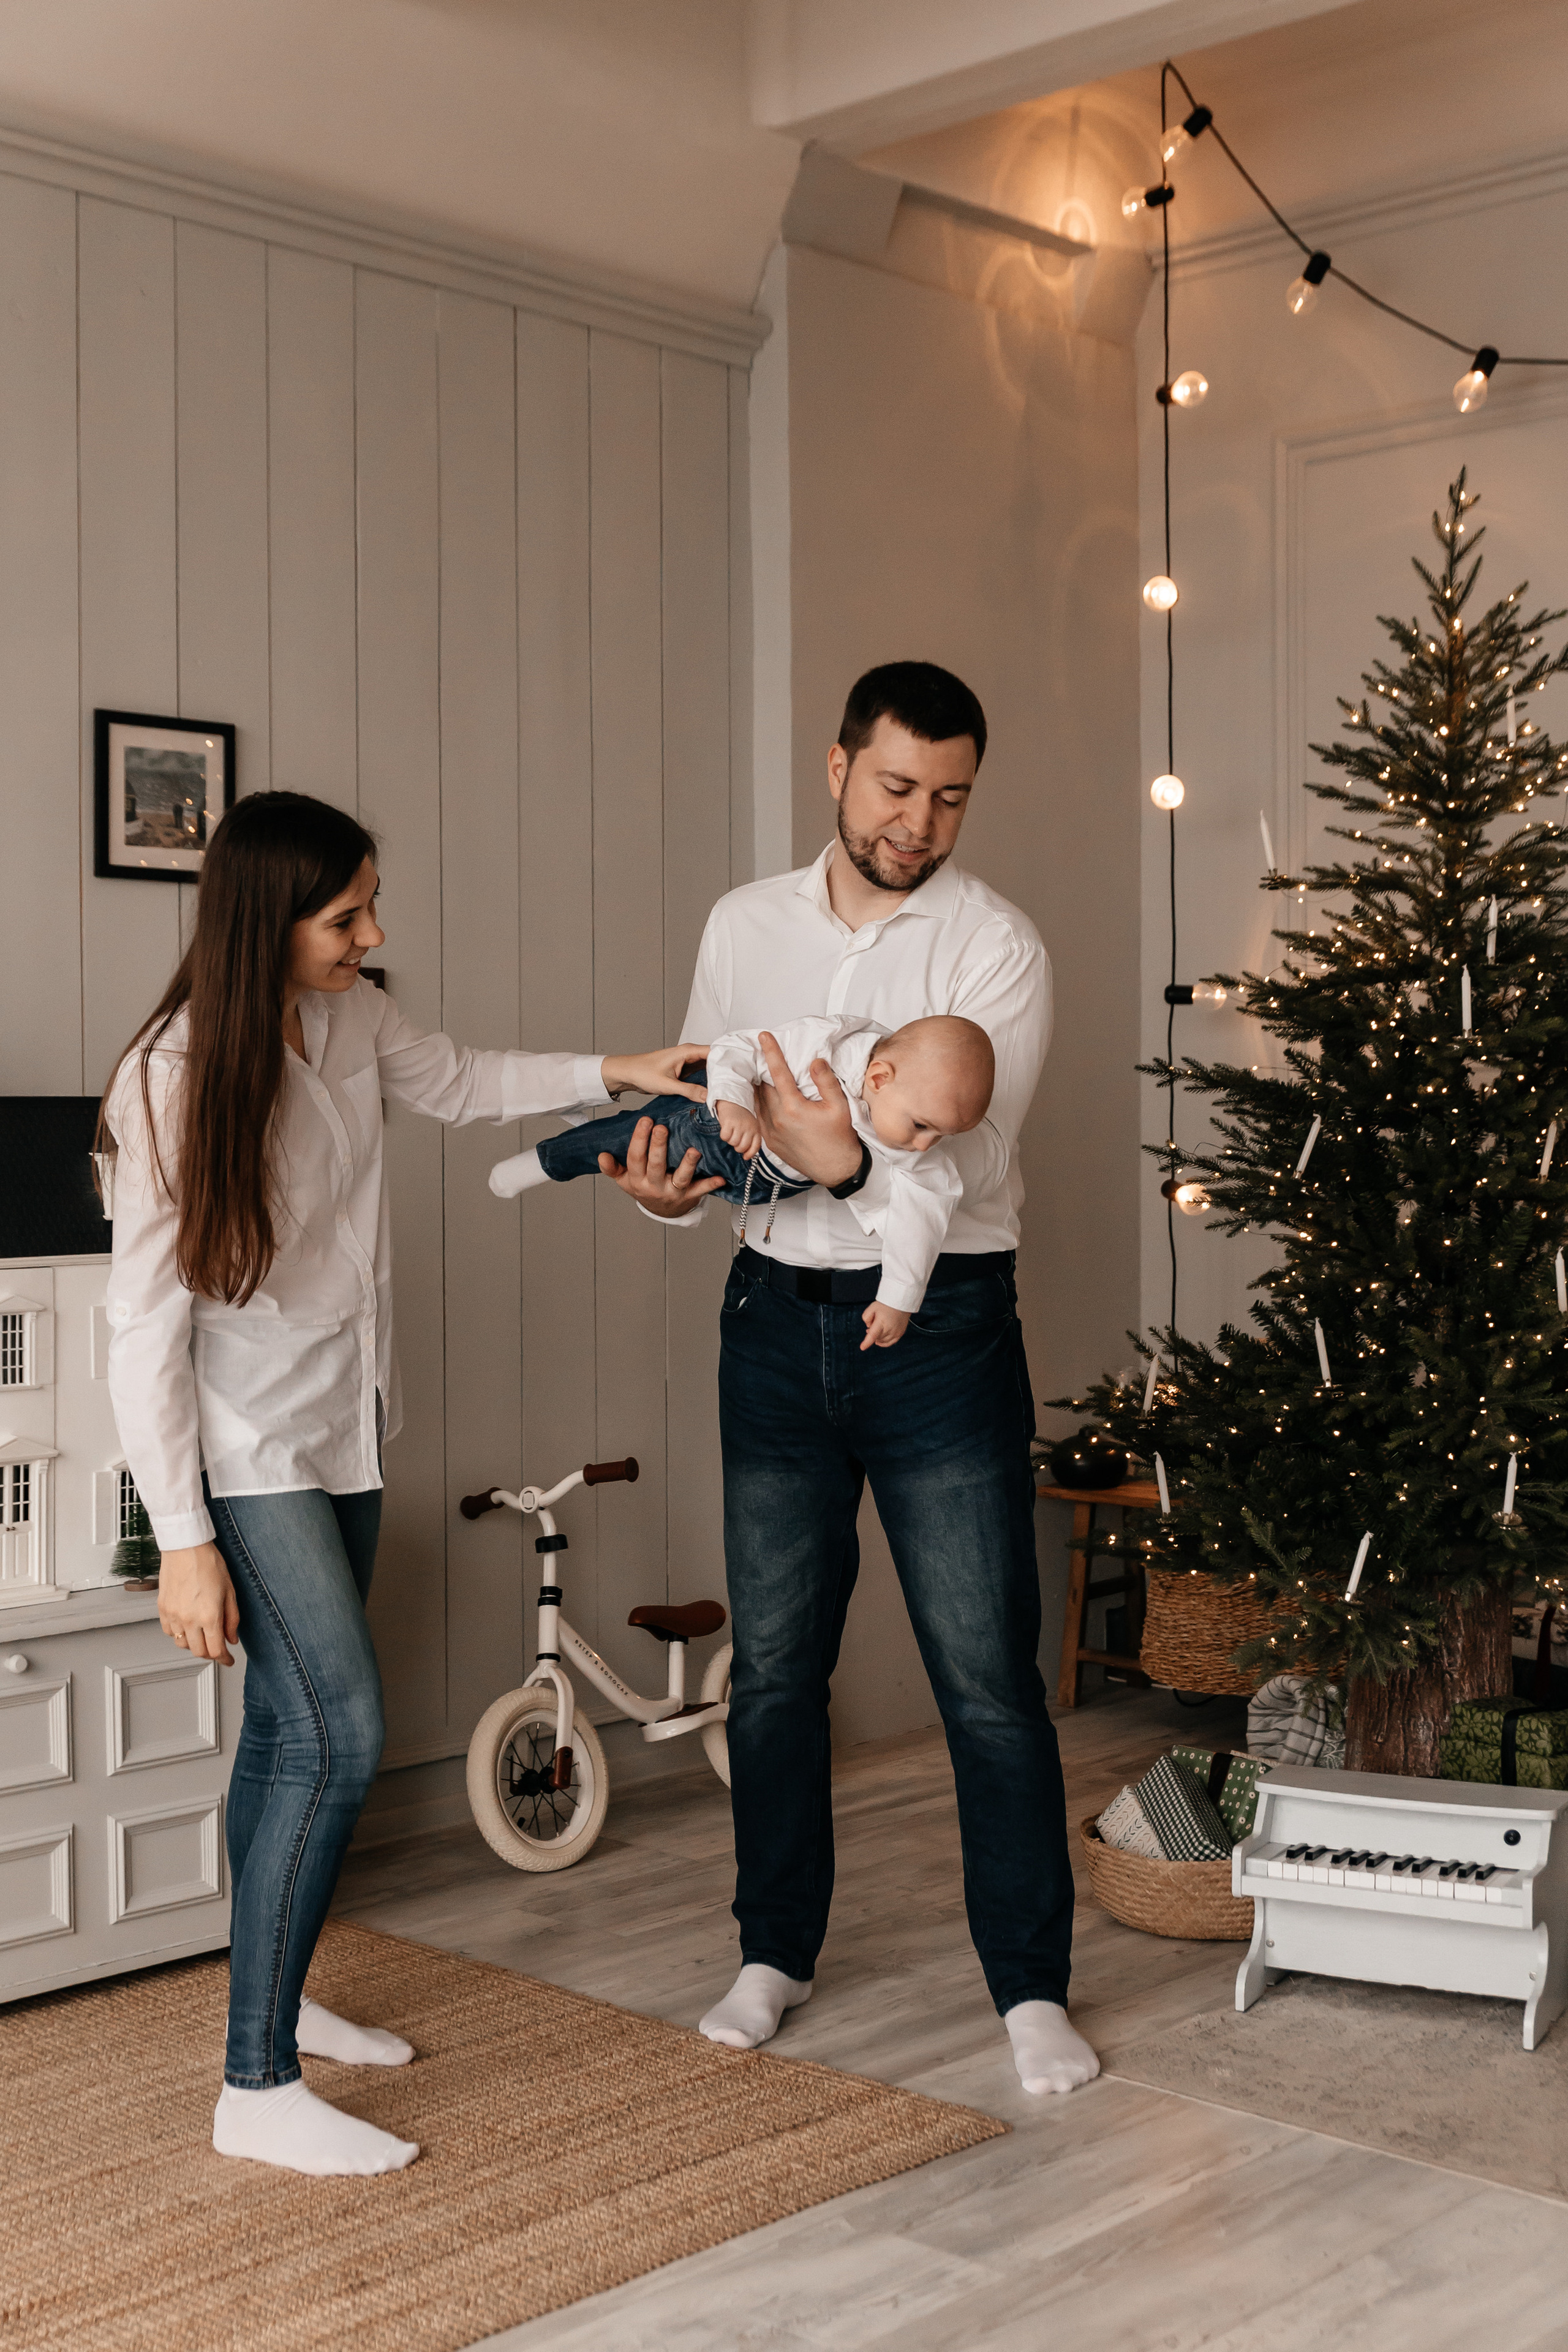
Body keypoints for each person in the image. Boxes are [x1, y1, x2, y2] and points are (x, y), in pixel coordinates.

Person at [99, 790, 704, 2178]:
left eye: (370, 904)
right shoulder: (171, 1073)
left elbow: (460, 1076)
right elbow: (141, 1327)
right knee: (343, 1728)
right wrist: (181, 1540)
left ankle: (284, 1990)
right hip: (243, 1447)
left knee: (284, 1728)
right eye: (343, 915)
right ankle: (253, 2083)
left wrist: (621, 1067)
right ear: (267, 919)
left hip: (345, 1424)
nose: (372, 935)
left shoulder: (350, 1014)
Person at [601, 660, 1099, 2099]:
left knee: (984, 1677)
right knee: (772, 1670)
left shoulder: (994, 947)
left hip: (934, 1326)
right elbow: (712, 1105)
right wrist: (669, 1187)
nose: (918, 819)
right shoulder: (741, 922)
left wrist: (830, 1158)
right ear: (836, 769)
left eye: (948, 796)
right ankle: (773, 1949)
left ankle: (1026, 1984)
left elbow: (963, 1160)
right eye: (895, 787)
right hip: (768, 1317)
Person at [488, 1012, 995, 1348]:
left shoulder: (916, 1133)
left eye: (943, 1136)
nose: (925, 1146)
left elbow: (923, 1221)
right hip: (714, 1127)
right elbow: (733, 1049)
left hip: (758, 1182)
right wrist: (732, 1102)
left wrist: (897, 1301)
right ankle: (544, 1160)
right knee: (633, 1137)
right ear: (880, 1077)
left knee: (619, 1140)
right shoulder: (822, 1046)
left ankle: (585, 1123)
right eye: (923, 1127)